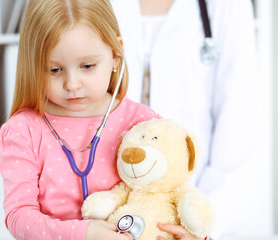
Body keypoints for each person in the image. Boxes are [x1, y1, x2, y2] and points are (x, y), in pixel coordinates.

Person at [0, 0, 209, 239]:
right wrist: (83, 234)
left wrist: (195, 236)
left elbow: (173, 195)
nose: (72, 84)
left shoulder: (142, 122)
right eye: (54, 70)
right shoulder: (22, 131)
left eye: (87, 66)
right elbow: (19, 216)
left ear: (115, 54)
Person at [110, 0, 260, 237]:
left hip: (193, 206)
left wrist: (200, 227)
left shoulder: (227, 6)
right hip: (105, 213)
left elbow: (237, 130)